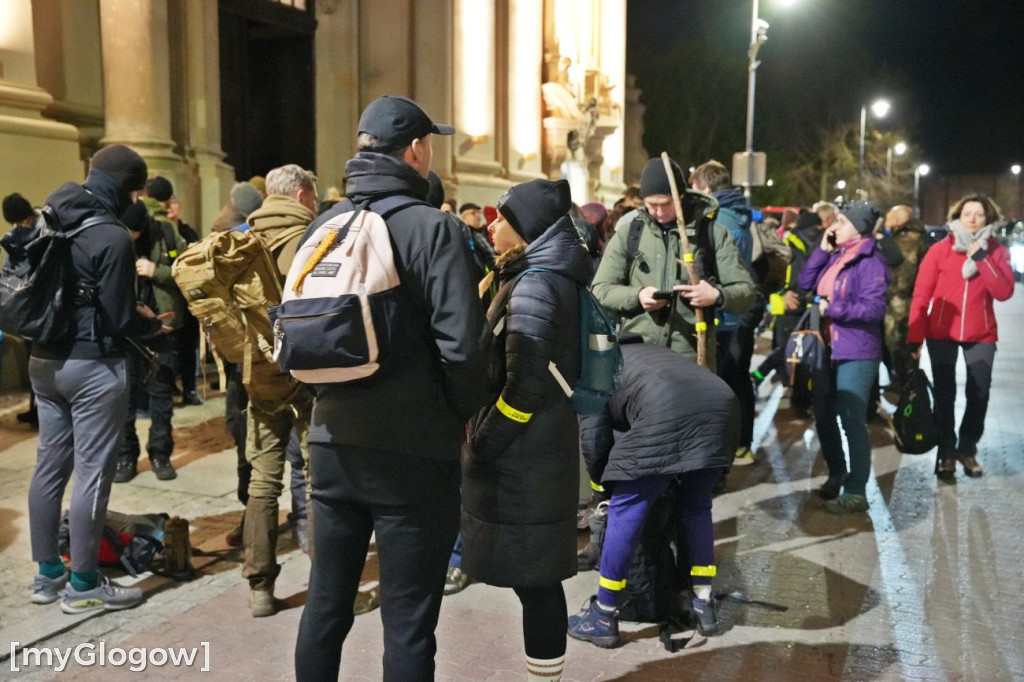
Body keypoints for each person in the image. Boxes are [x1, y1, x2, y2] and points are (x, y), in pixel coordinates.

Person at [293, 95, 488, 682]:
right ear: (416, 150)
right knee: (407, 618)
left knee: (325, 604)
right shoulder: (435, 228)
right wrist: (457, 413)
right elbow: (464, 347)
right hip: (412, 450)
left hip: (331, 440)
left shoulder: (325, 226)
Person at [27, 144, 171, 612]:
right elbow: (119, 317)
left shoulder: (51, 213)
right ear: (126, 188)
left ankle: (48, 574)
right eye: (135, 191)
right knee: (92, 472)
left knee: (50, 467)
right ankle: (85, 583)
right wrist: (152, 323)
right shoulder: (111, 235)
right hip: (91, 367)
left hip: (44, 361)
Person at [461, 178, 590, 681]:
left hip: (524, 455)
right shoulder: (541, 274)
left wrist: (482, 442)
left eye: (503, 219)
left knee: (536, 580)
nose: (492, 226)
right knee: (534, 576)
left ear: (527, 230)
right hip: (538, 449)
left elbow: (524, 385)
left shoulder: (535, 283)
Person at [568, 339, 736, 646]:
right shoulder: (655, 353)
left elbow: (593, 441)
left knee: (625, 509)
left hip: (668, 408)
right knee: (697, 508)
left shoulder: (596, 368)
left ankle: (604, 614)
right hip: (722, 405)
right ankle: (702, 602)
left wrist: (604, 489)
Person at [240, 164, 318, 617]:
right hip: (305, 372)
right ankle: (330, 585)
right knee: (315, 478)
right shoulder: (308, 238)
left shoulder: (242, 238)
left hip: (258, 374)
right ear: (304, 195)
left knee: (263, 479)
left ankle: (260, 588)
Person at [591, 157, 756, 371]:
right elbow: (600, 290)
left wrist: (716, 295)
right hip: (639, 357)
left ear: (681, 196)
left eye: (666, 204)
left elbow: (747, 292)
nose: (659, 212)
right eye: (652, 205)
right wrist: (637, 296)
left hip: (691, 360)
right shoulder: (629, 233)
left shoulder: (713, 233)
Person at [908, 193, 1014, 480]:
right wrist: (915, 337)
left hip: (982, 333)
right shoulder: (940, 250)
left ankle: (967, 448)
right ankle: (946, 451)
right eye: (967, 213)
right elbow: (921, 294)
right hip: (942, 331)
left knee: (978, 393)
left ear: (988, 219)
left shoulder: (996, 252)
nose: (972, 219)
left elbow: (1004, 292)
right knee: (944, 394)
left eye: (979, 214)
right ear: (957, 217)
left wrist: (981, 258)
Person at [797, 201, 890, 513]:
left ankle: (856, 490)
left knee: (851, 419)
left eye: (841, 221)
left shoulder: (870, 261)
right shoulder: (836, 256)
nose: (833, 226)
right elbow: (804, 284)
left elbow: (874, 309)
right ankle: (837, 472)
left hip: (857, 351)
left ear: (858, 227)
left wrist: (832, 309)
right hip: (825, 348)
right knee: (823, 414)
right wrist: (822, 251)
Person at [114, 189, 188, 483]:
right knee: (125, 397)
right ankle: (126, 457)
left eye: (133, 232)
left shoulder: (167, 234)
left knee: (160, 395)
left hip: (162, 326)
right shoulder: (117, 238)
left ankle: (160, 454)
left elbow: (187, 271)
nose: (130, 237)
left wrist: (156, 270)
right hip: (129, 329)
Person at [690, 160, 761, 465]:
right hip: (737, 314)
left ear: (707, 190)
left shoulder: (721, 222)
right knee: (739, 381)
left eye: (694, 191)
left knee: (726, 386)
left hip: (727, 315)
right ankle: (742, 443)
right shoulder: (740, 215)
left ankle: (728, 451)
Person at [2, 192, 41, 426]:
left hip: (40, 306)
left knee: (41, 364)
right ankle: (35, 408)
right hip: (28, 306)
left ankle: (40, 411)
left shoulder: (42, 230)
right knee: (32, 363)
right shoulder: (26, 230)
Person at [883, 205, 930, 392]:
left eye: (888, 218)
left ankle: (905, 385)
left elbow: (904, 275)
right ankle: (905, 383)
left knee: (898, 344)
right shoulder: (919, 237)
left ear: (896, 219)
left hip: (900, 300)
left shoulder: (906, 240)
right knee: (904, 345)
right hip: (906, 300)